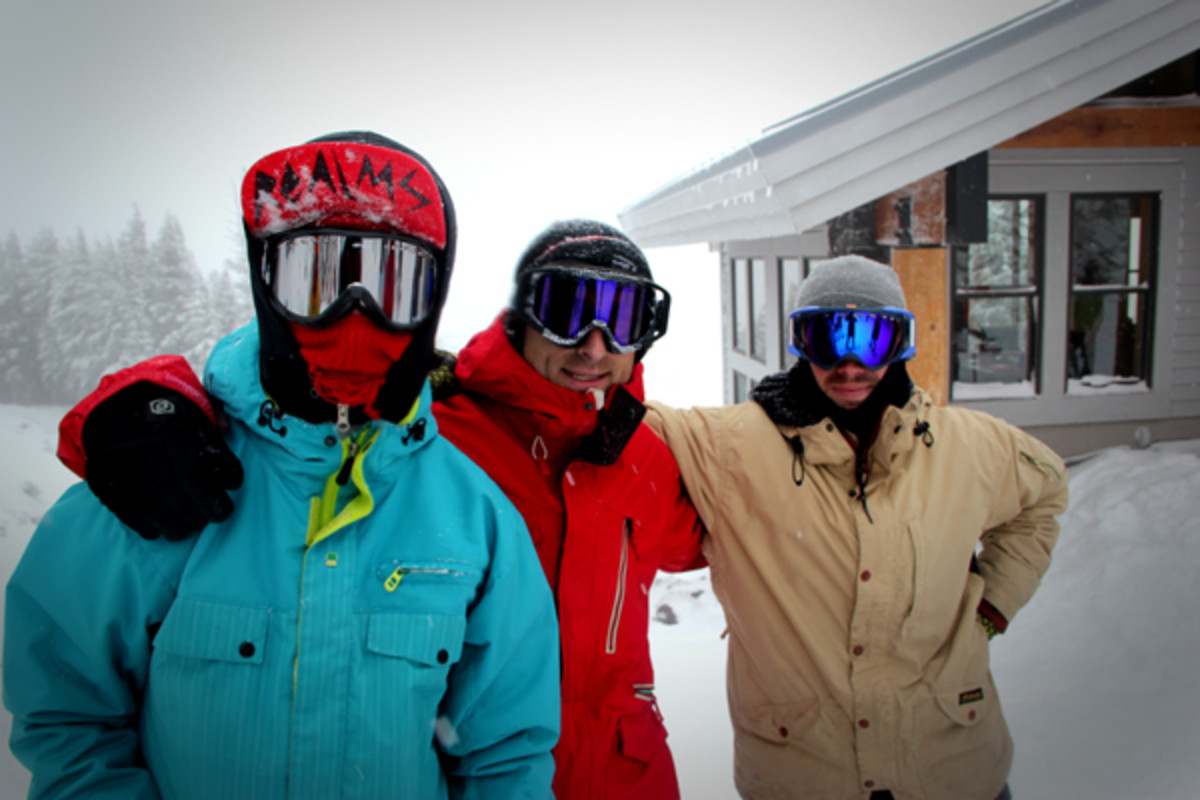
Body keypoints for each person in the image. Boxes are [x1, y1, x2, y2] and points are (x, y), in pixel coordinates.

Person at [49, 218, 705, 798]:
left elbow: (731, 512)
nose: (593, 344)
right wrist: (131, 406)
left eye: (623, 319)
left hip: (628, 776)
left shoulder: (650, 454)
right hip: (472, 764)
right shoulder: (438, 427)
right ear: (522, 316)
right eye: (567, 308)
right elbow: (287, 414)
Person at [4, 132, 560, 799]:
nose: (355, 314)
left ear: (432, 301)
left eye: (394, 283)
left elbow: (505, 755)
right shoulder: (166, 477)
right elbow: (69, 714)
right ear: (266, 284)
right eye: (315, 277)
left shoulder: (474, 520)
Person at [645, 255, 1069, 800]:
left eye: (873, 339)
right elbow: (608, 415)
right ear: (800, 343)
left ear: (902, 344)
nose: (849, 364)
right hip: (804, 775)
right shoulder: (726, 447)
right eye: (827, 338)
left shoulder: (971, 445)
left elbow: (1046, 492)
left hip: (954, 770)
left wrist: (994, 605)